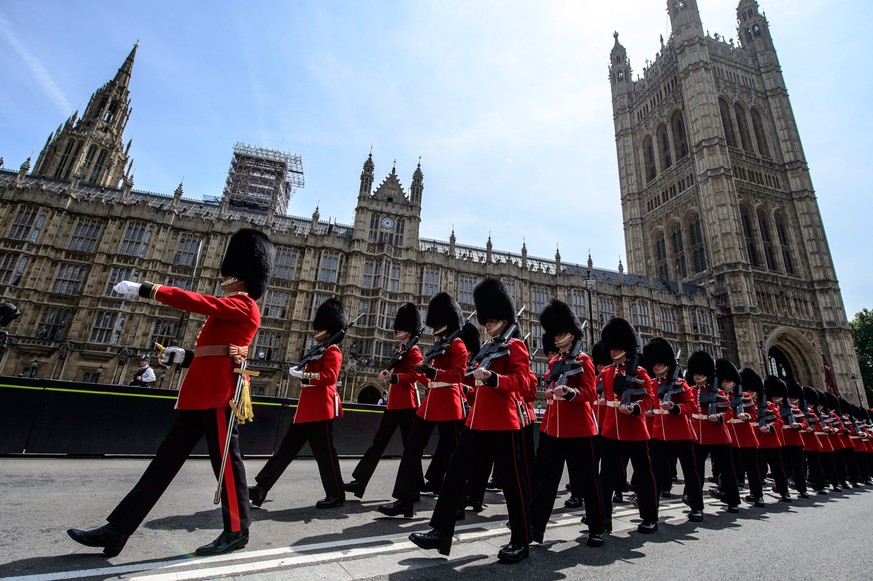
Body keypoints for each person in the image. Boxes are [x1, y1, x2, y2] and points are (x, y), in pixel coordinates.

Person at [67, 227, 274, 557]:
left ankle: (237, 530)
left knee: (227, 465)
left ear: (242, 276)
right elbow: (216, 350)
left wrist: (148, 289)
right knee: (163, 464)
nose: (224, 279)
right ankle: (117, 530)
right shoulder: (232, 304)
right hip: (200, 393)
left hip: (220, 395)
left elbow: (196, 302)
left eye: (229, 274)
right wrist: (186, 356)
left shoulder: (245, 305)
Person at [409, 278, 531, 563]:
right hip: (476, 422)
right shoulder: (488, 349)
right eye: (485, 320)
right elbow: (466, 374)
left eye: (491, 320)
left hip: (503, 422)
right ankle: (440, 531)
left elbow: (523, 383)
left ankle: (521, 540)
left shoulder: (516, 347)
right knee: (453, 474)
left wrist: (494, 379)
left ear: (503, 318)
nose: (487, 325)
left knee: (512, 484)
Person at [248, 298, 348, 509]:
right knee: (285, 451)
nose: (316, 332)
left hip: (321, 409)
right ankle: (260, 489)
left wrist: (304, 375)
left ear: (328, 329)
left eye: (320, 328)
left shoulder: (333, 351)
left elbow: (329, 377)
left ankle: (336, 494)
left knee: (325, 455)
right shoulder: (319, 349)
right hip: (306, 410)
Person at [377, 292, 467, 517]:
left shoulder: (457, 345)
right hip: (430, 404)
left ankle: (458, 503)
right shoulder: (439, 346)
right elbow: (430, 377)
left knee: (453, 458)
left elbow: (458, 375)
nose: (435, 327)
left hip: (449, 405)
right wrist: (423, 373)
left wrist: (433, 372)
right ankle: (404, 501)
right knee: (411, 451)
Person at [529, 299, 605, 547]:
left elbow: (591, 393)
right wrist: (552, 394)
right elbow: (550, 388)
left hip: (579, 430)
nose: (557, 338)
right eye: (555, 334)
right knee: (548, 481)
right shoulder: (553, 363)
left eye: (561, 334)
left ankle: (597, 527)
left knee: (588, 480)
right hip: (555, 429)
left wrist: (571, 394)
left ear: (572, 335)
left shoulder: (583, 360)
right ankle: (534, 527)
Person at [344, 303, 424, 500]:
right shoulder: (401, 349)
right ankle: (360, 482)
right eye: (397, 328)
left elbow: (414, 375)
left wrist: (393, 378)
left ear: (410, 329)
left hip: (408, 404)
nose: (398, 331)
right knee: (378, 444)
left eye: (402, 328)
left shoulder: (413, 351)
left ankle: (415, 486)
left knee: (410, 448)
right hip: (394, 403)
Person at [597, 317, 659, 534]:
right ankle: (603, 519)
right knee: (606, 478)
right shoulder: (606, 373)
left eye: (617, 348)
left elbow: (649, 399)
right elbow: (606, 404)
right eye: (611, 348)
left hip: (634, 430)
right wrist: (601, 428)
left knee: (643, 475)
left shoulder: (640, 373)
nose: (613, 353)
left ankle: (650, 516)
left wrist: (635, 409)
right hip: (611, 430)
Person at [642, 337, 704, 522]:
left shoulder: (679, 384)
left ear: (668, 365)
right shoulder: (652, 385)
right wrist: (650, 412)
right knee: (657, 474)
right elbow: (647, 405)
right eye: (654, 364)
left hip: (680, 434)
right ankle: (652, 509)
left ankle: (696, 506)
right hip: (659, 434)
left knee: (690, 472)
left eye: (659, 364)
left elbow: (691, 406)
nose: (656, 367)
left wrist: (676, 409)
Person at [686, 352, 740, 514]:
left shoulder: (718, 393)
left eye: (700, 374)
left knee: (727, 469)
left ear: (707, 375)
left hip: (717, 435)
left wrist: (719, 417)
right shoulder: (691, 391)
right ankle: (696, 505)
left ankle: (733, 501)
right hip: (697, 435)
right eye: (695, 373)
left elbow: (729, 413)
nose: (696, 377)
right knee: (696, 472)